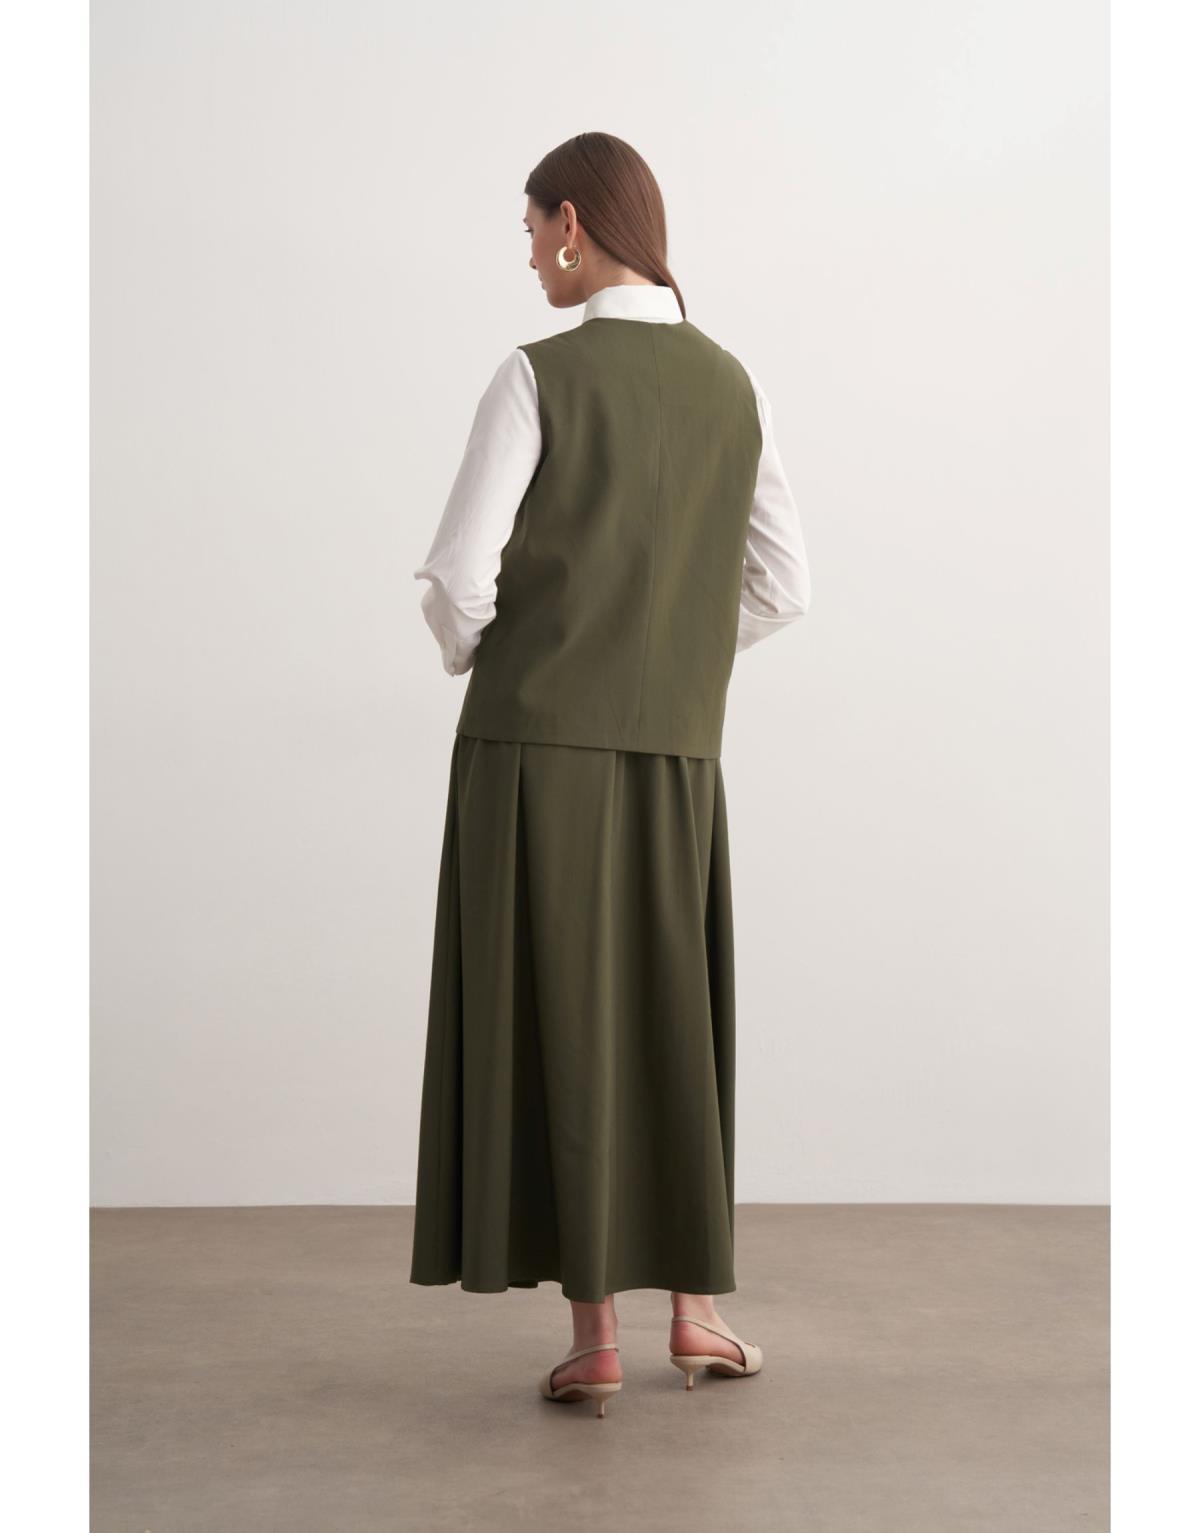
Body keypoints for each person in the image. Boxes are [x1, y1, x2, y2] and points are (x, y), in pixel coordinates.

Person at [409, 131, 811, 1418]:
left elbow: (458, 581)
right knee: (668, 1019)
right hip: (676, 756)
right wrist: (668, 657)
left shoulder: (537, 374)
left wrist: (511, 655)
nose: (531, 256)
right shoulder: (734, 385)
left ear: (573, 222)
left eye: (533, 229)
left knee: (559, 1022)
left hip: (531, 756)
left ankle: (593, 1340)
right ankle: (695, 1313)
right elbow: (783, 588)